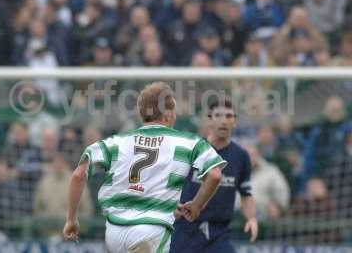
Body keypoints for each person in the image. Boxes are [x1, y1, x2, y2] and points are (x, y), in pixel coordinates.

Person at [63, 82, 228, 252]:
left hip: (114, 231)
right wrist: (196, 205)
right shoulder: (188, 142)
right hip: (151, 230)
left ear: (142, 114)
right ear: (168, 114)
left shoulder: (117, 142)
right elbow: (215, 175)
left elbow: (78, 174)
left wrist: (71, 219)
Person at [170, 99, 258, 253]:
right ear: (209, 120)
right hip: (186, 229)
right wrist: (171, 207)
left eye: (229, 116)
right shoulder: (191, 150)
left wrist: (251, 218)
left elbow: (246, 193)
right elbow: (169, 185)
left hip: (219, 233)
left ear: (235, 121)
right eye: (218, 115)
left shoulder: (241, 156)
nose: (223, 121)